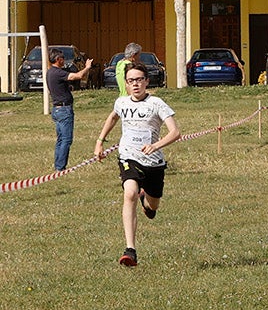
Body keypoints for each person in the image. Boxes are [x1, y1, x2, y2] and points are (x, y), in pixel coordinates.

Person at [94, 62, 181, 268]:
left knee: (153, 207)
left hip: (154, 163)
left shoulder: (157, 103)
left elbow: (175, 132)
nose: (135, 84)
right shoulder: (121, 102)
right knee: (129, 193)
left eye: (139, 80)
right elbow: (113, 117)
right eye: (131, 80)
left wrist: (155, 145)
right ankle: (130, 250)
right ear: (126, 83)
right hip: (128, 157)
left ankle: (146, 201)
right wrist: (100, 141)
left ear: (147, 82)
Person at [47, 48, 93, 170]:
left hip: (57, 109)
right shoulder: (58, 73)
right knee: (66, 140)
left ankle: (58, 165)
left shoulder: (50, 72)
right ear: (58, 59)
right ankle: (60, 167)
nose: (64, 61)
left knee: (61, 139)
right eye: (62, 58)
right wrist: (87, 67)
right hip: (63, 110)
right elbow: (78, 76)